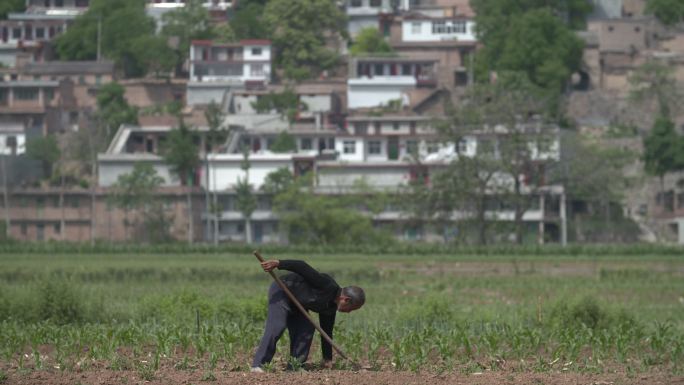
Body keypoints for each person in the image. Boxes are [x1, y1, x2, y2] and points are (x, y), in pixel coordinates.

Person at [251, 259, 365, 372]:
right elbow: (302, 266)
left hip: (299, 302)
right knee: (277, 325)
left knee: (306, 328)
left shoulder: (330, 308)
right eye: (351, 308)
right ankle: (258, 365)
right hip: (284, 290)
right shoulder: (326, 285)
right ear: (345, 299)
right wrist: (279, 263)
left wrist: (327, 358)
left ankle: (295, 366)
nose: (349, 312)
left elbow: (326, 332)